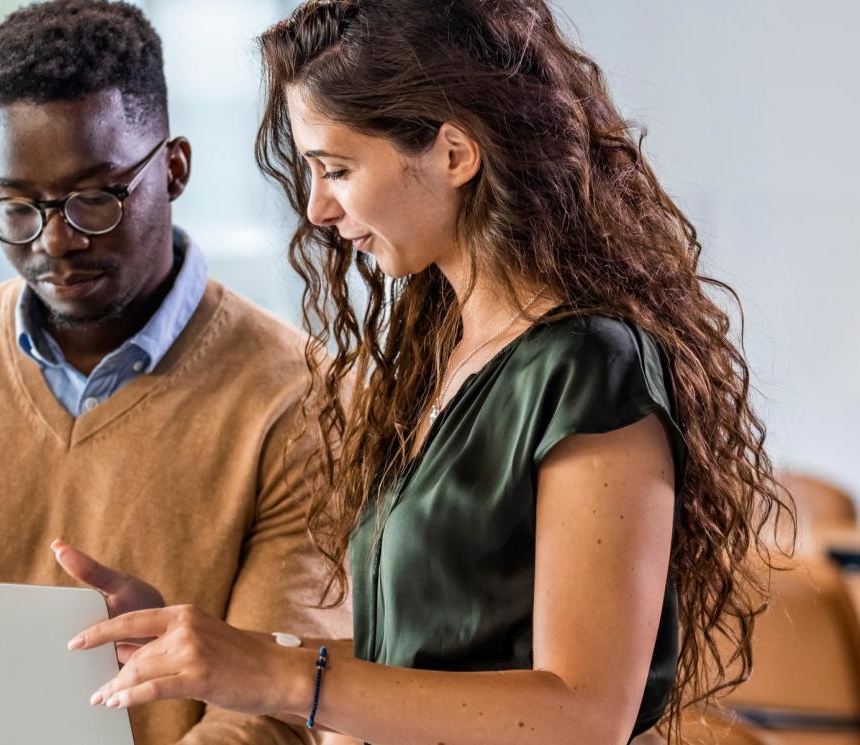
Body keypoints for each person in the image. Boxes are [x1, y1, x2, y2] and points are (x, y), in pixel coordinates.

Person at [63, 1, 792, 743]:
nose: (316, 208)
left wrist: (275, 673)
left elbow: (583, 715)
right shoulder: (439, 358)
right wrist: (212, 654)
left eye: (337, 168)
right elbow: (421, 667)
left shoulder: (589, 367)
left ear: (453, 153)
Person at [0, 2, 349, 743]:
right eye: (17, 205)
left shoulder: (305, 397)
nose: (56, 241)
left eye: (94, 198)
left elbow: (273, 713)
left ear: (175, 168)